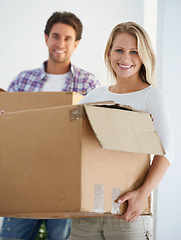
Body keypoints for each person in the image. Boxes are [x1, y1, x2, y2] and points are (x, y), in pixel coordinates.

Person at [0, 11, 100, 240]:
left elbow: (97, 132)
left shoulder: (89, 83)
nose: (60, 43)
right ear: (46, 38)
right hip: (23, 179)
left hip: (67, 182)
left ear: (76, 44)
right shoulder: (23, 80)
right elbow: (5, 126)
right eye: (56, 36)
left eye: (67, 38)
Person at [69, 22, 174, 240]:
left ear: (144, 56)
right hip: (86, 214)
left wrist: (142, 195)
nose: (125, 59)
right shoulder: (94, 95)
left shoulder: (151, 96)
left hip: (128, 213)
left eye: (134, 52)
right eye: (119, 50)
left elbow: (167, 151)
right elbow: (63, 129)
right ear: (108, 53)